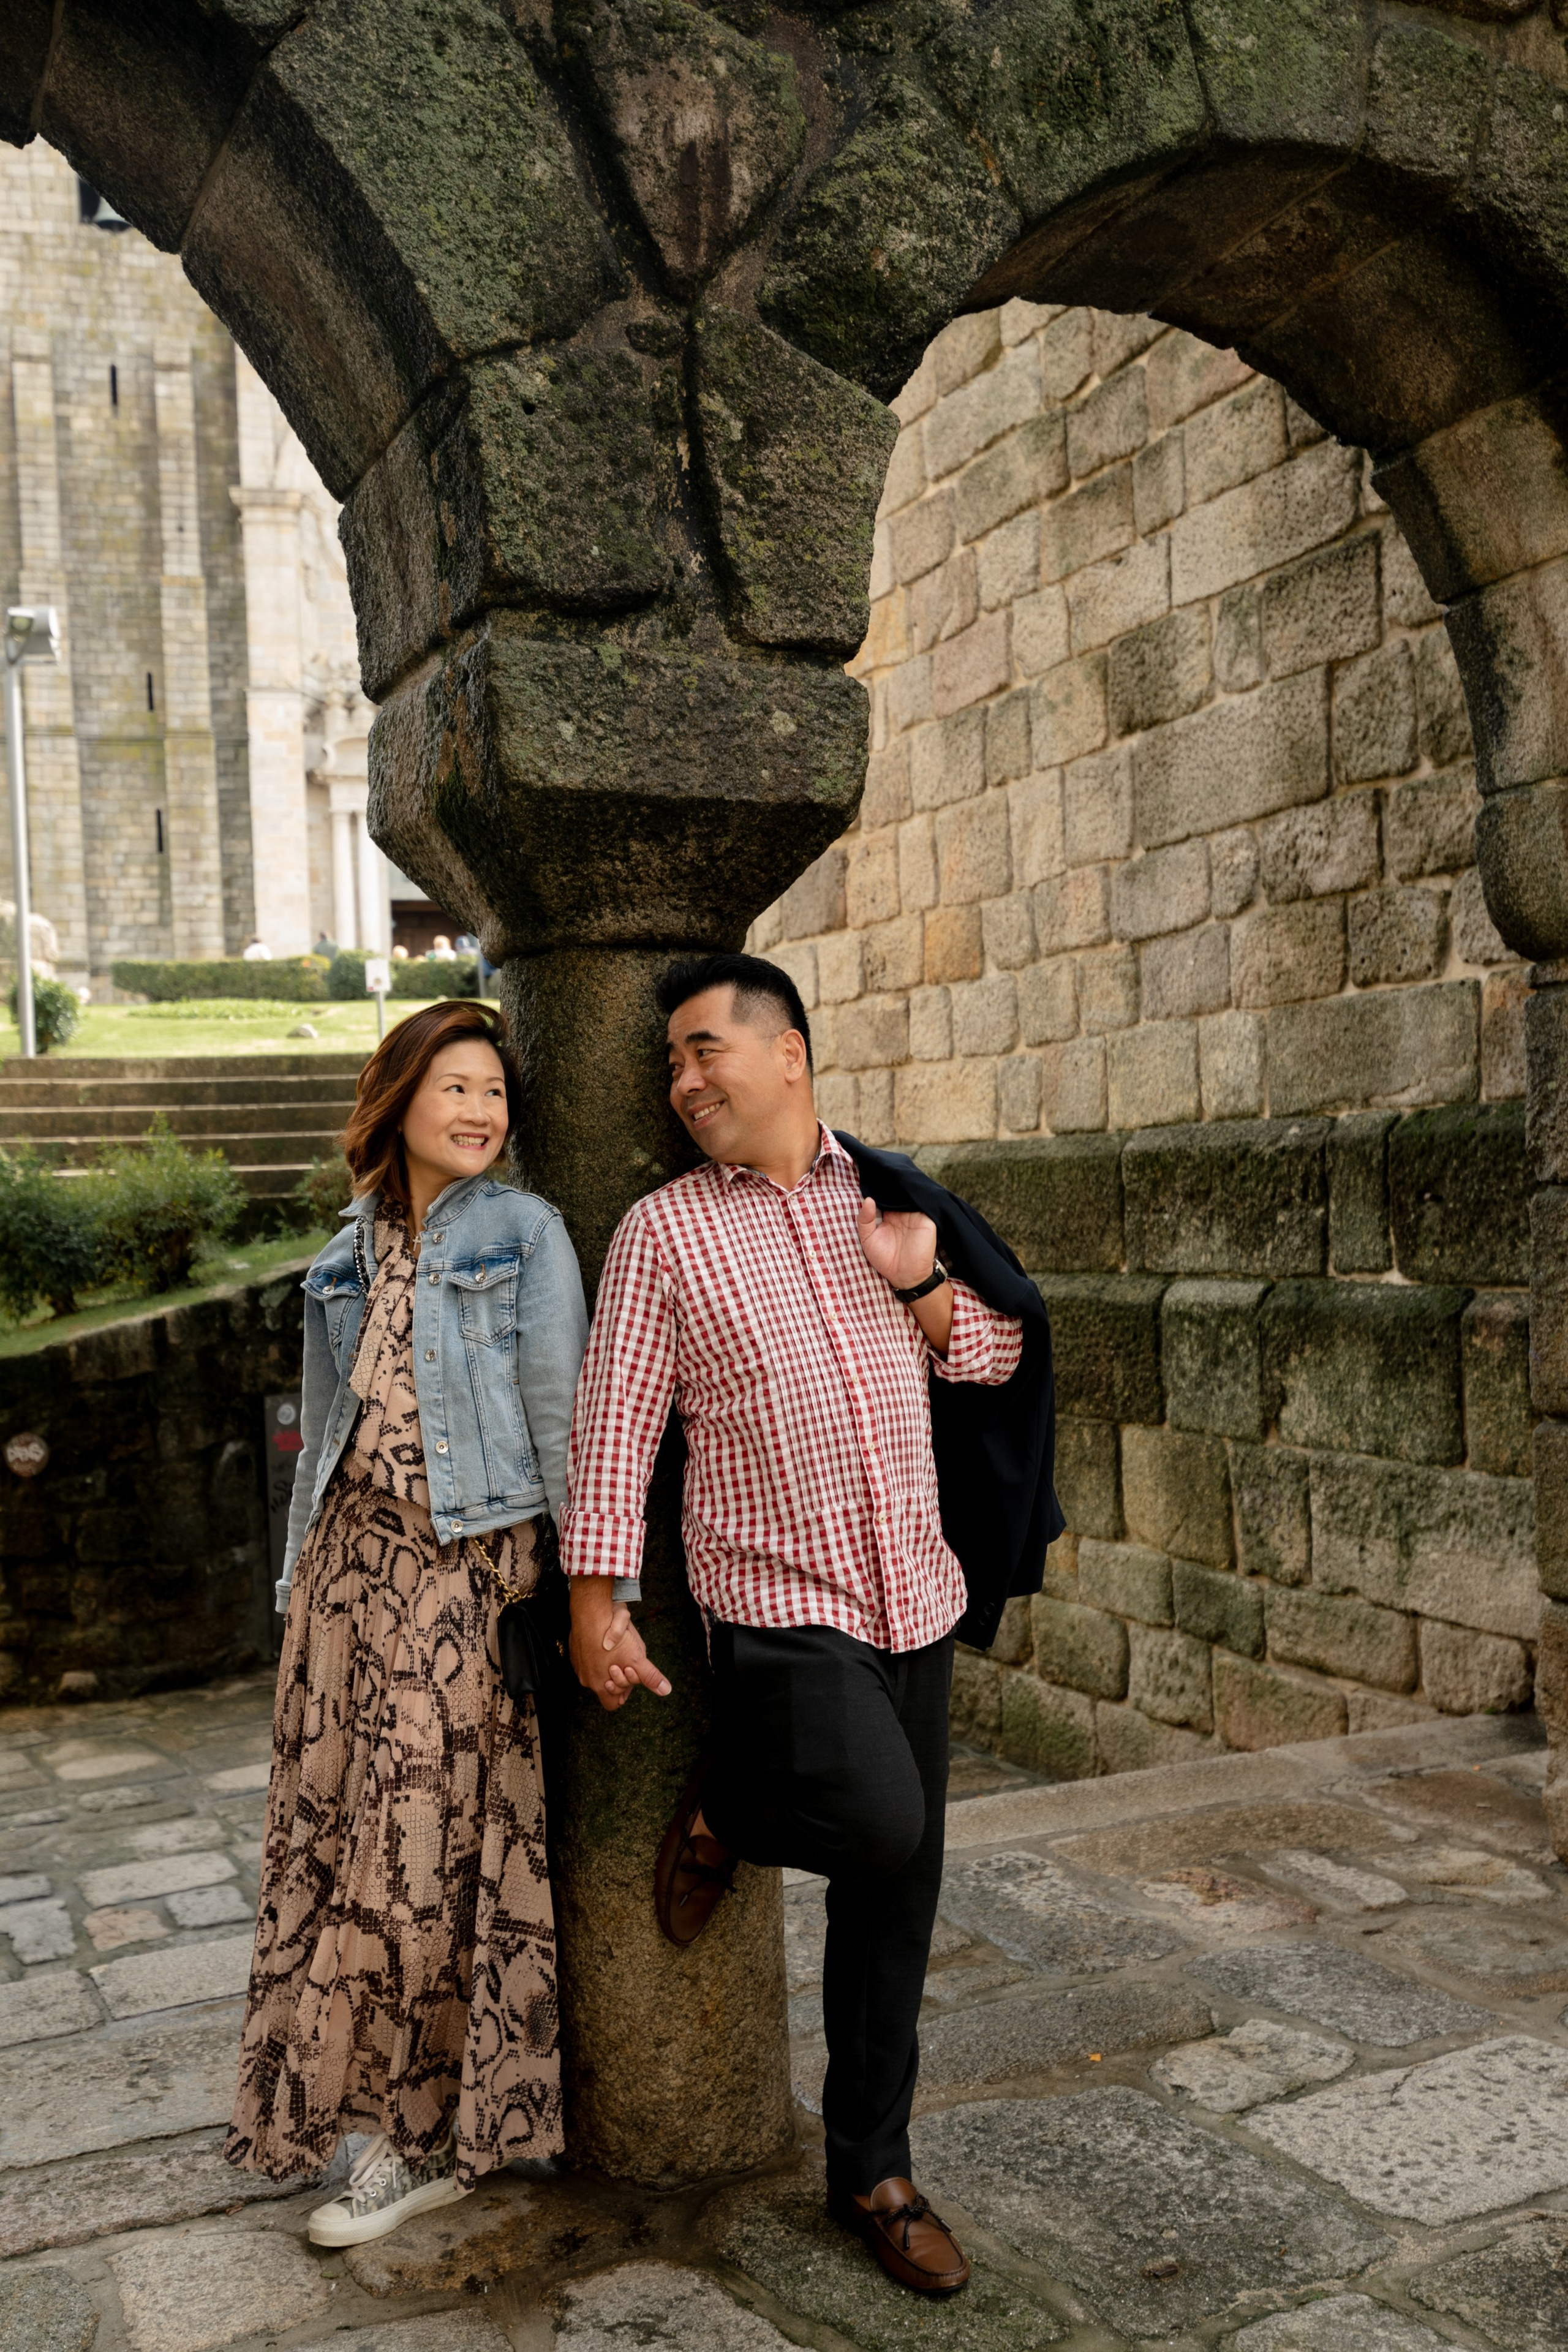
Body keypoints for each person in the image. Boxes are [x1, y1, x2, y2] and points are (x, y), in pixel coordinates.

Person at [560, 952, 1056, 2301]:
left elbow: (1001, 1360)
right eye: (669, 1062)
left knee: (898, 1897)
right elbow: (616, 1425)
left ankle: (872, 2172)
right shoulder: (666, 1231)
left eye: (704, 1049)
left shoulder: (888, 1200)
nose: (683, 1079)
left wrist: (920, 1288)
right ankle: (726, 1812)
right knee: (881, 1827)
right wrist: (594, 1602)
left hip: (914, 1591)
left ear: (789, 1055)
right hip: (778, 1604)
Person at [224, 999, 592, 2248]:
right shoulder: (343, 1253)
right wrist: (297, 1595)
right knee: (335, 1844)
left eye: (495, 1090)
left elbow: (565, 1420)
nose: (481, 1110)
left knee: (426, 1850)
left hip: (463, 1574)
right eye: (456, 1087)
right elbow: (321, 1440)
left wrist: (589, 1588)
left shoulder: (524, 1235)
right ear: (400, 1099)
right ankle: (345, 2107)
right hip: (347, 1581)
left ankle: (429, 2138)